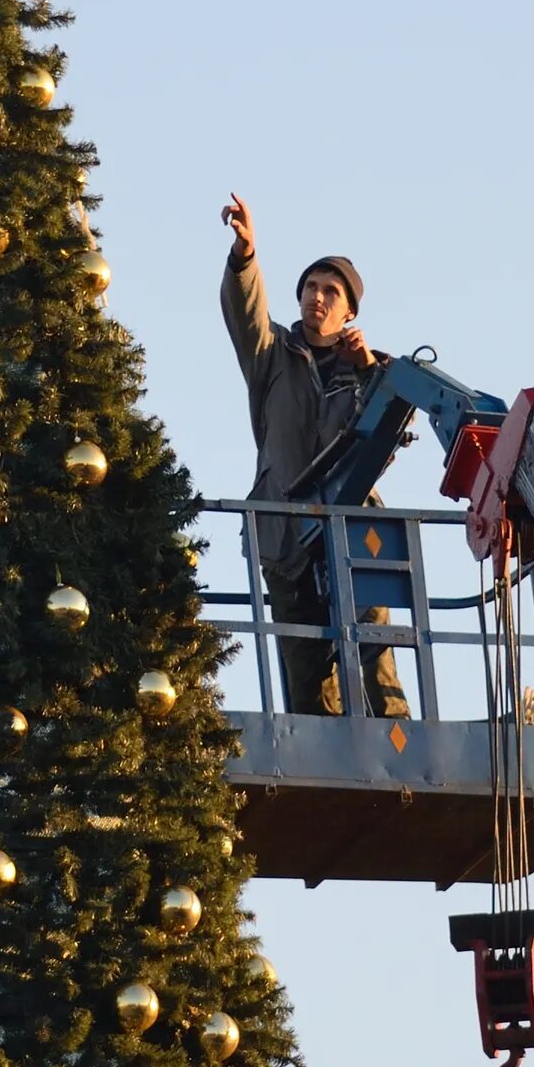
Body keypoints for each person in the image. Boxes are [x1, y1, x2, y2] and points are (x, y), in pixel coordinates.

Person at [219, 193, 410, 718]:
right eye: (310, 287)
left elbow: (391, 430)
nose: (317, 298)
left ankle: (402, 750)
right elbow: (245, 312)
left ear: (350, 310)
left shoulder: (376, 372)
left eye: (331, 291)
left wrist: (366, 367)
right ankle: (327, 767)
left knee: (375, 648)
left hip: (354, 531)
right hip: (284, 531)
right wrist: (245, 256)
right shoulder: (272, 355)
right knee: (306, 672)